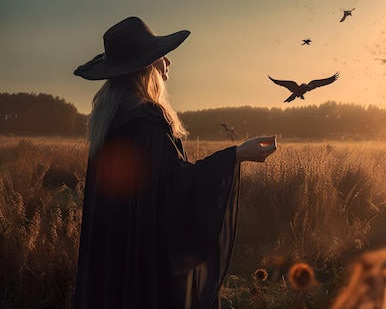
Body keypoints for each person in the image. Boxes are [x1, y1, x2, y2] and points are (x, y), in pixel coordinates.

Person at [73, 16, 277, 309]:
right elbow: (175, 188)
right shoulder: (146, 123)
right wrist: (236, 155)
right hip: (146, 267)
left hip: (114, 264)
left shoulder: (109, 124)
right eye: (158, 56)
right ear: (145, 69)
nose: (167, 62)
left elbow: (156, 186)